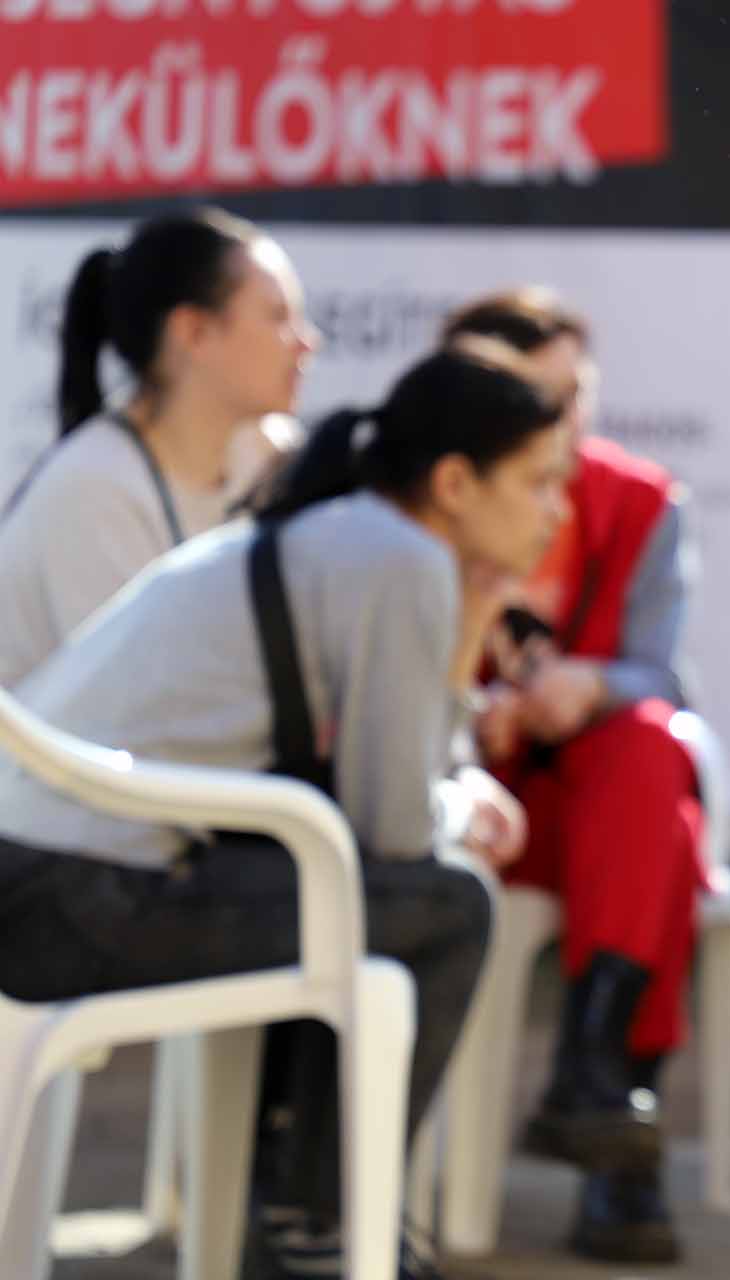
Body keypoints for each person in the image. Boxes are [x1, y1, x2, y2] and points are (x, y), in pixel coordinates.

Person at [0, 341, 574, 1279]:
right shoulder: (401, 559)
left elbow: (372, 805)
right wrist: (460, 803)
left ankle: (302, 1207)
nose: (560, 511)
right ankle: (321, 1224)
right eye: (542, 482)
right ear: (457, 482)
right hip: (73, 897)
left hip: (35, 869)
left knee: (351, 898)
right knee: (448, 905)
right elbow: (394, 831)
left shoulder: (344, 533)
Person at [441, 289, 701, 1264]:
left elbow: (661, 670)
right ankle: (612, 1128)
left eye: (575, 395)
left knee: (646, 744)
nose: (562, 424)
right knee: (661, 829)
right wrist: (471, 711)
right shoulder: (424, 495)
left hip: (588, 803)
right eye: (534, 399)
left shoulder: (639, 498)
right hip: (450, 801)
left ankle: (598, 1083)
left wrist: (590, 683)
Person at [0, 208, 318, 688]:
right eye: (278, 316)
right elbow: (134, 711)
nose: (306, 343)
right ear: (194, 333)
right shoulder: (92, 489)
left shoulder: (274, 458)